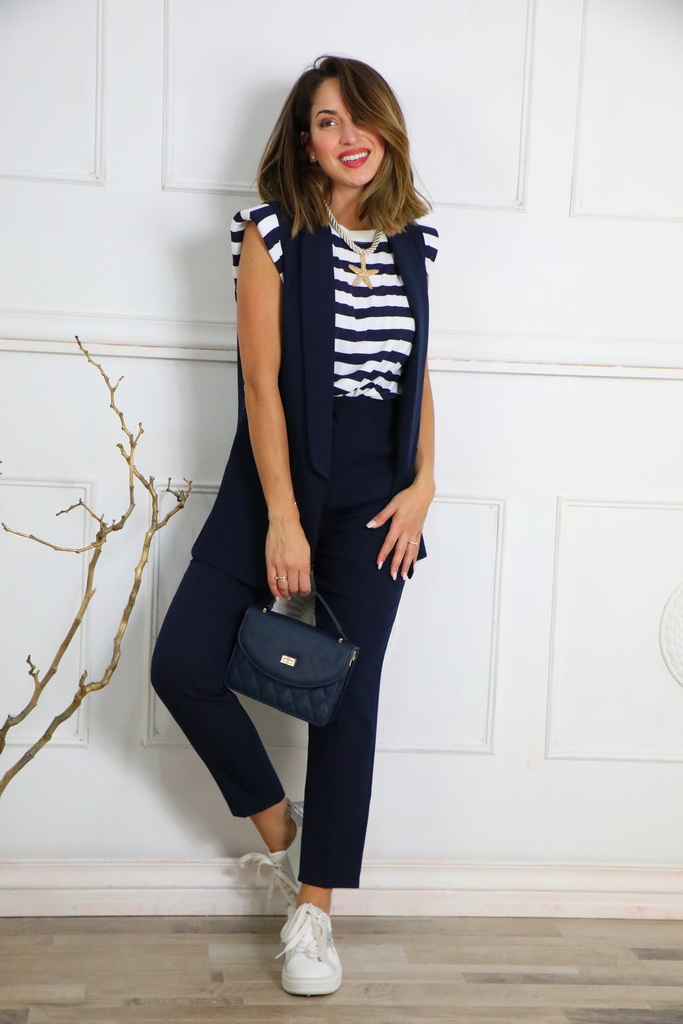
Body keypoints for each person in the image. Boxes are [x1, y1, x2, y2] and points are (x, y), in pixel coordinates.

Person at [151, 54, 438, 997]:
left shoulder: (415, 243)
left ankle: (314, 914)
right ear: (304, 143)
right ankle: (285, 836)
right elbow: (261, 383)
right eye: (325, 121)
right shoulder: (270, 232)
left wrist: (425, 484)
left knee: (351, 696)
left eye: (360, 117)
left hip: (375, 492)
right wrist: (281, 517)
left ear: (385, 130)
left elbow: (416, 376)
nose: (347, 135)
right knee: (182, 664)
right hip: (273, 473)